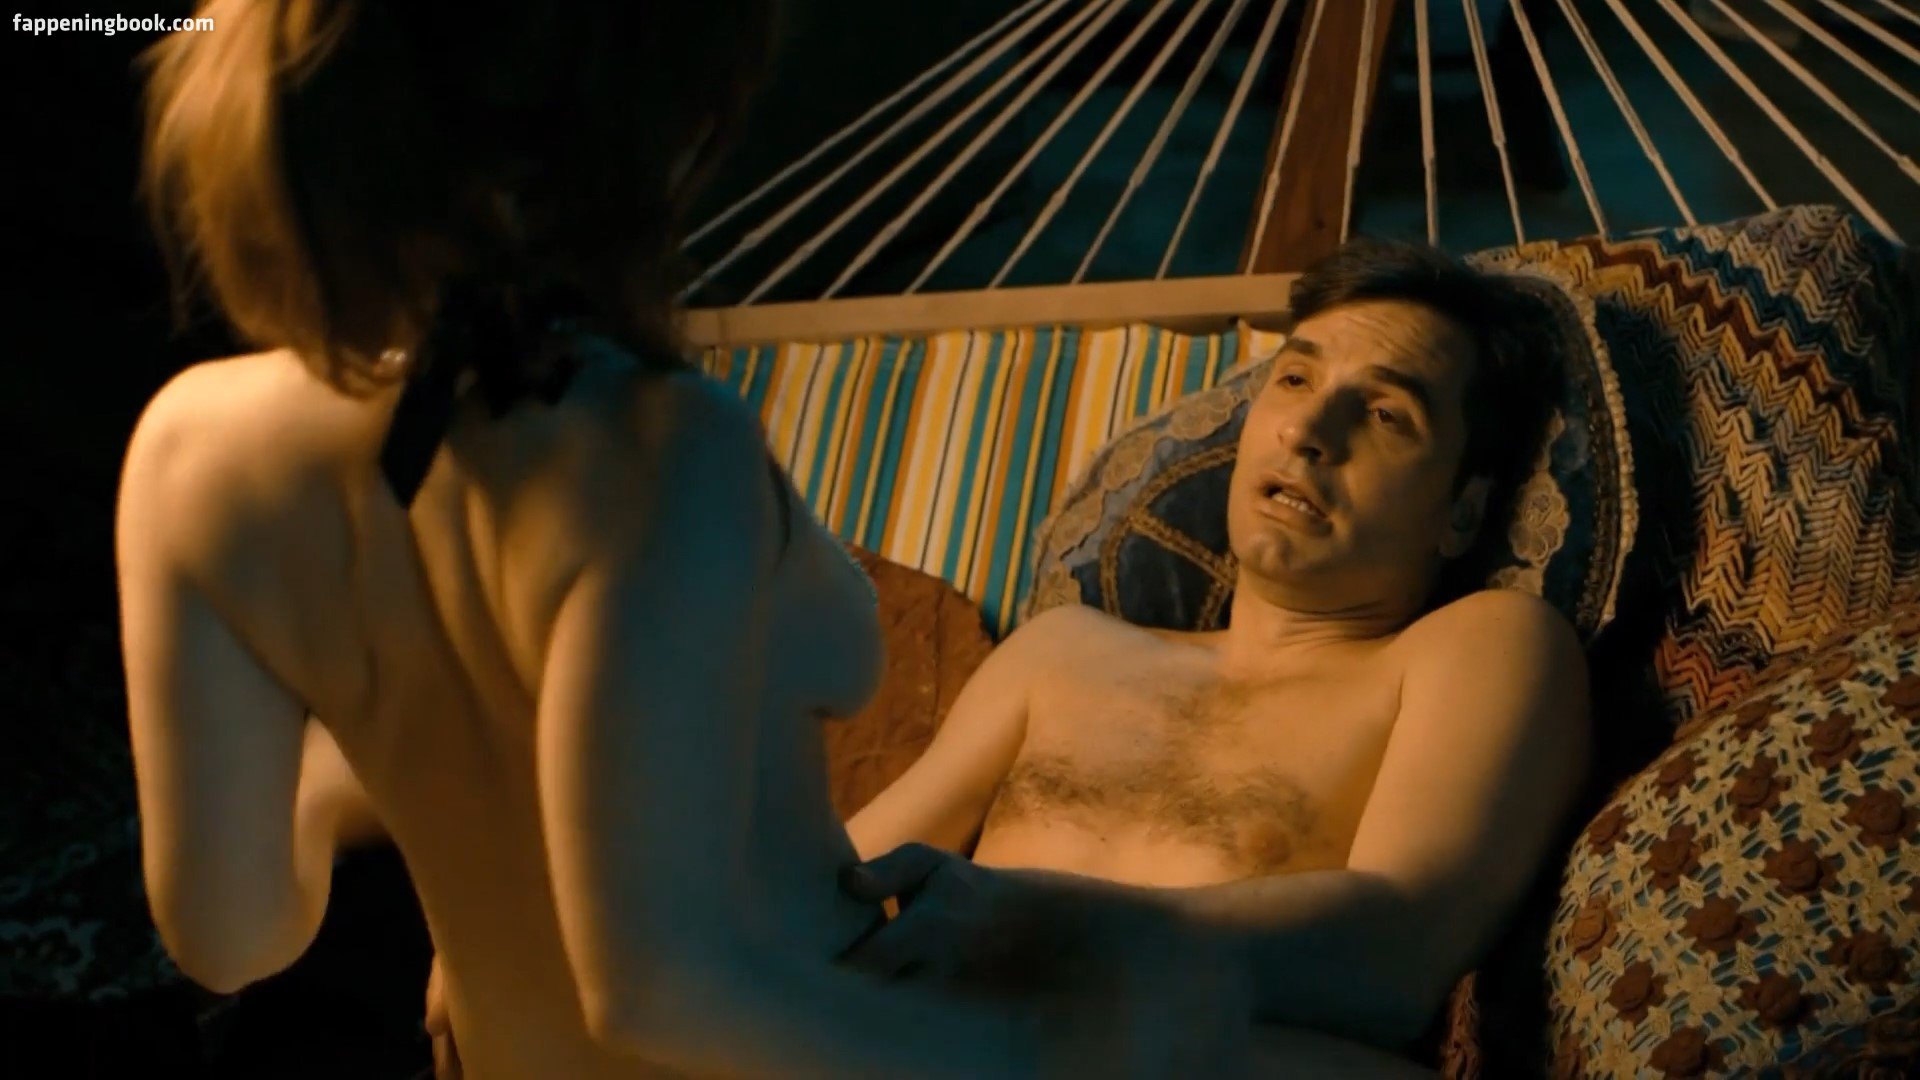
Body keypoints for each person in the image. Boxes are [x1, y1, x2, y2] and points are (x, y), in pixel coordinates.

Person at [115, 2, 1248, 1077]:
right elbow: (657, 987)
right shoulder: (656, 449)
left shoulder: (189, 450)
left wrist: (360, 771)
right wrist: (1030, 1061)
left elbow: (230, 939)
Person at [840, 240, 1594, 1074]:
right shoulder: (1060, 650)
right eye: (1296, 379)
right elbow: (836, 889)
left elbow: (1395, 950)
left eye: (1385, 414)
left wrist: (1040, 926)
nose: (1308, 432)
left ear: (1463, 512)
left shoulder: (1477, 647)